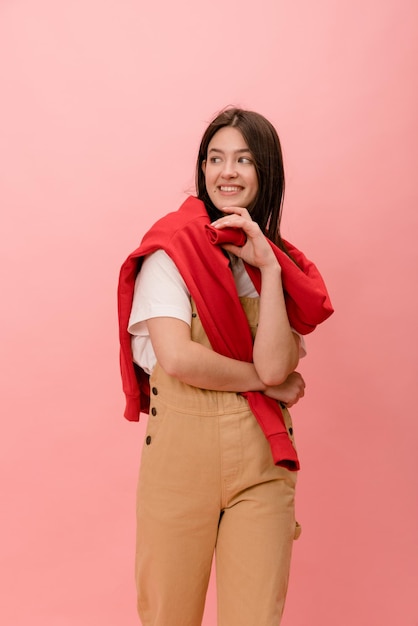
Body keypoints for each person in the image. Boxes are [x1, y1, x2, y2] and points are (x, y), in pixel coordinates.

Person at [117, 107, 333, 626]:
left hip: (261, 463)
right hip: (179, 462)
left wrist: (271, 270)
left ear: (267, 173)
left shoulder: (275, 261)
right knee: (168, 616)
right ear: (203, 168)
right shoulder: (172, 250)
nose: (227, 172)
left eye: (243, 159)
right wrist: (267, 384)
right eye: (216, 159)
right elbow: (178, 357)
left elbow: (278, 362)